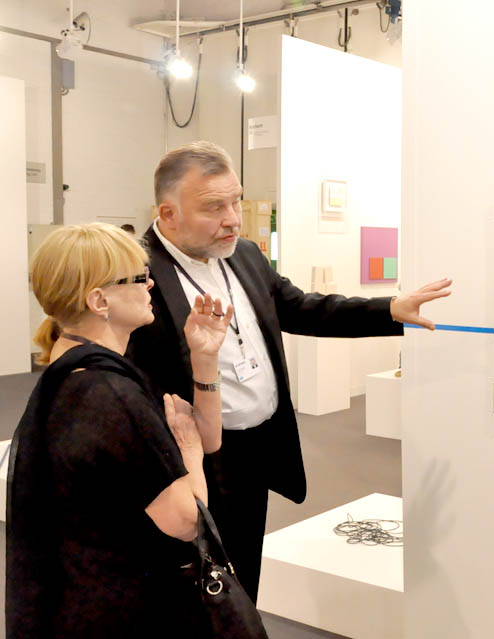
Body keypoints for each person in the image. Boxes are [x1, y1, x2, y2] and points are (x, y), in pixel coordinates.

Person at [127, 141, 451, 602]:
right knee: (186, 584)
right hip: (187, 458)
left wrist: (390, 310)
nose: (233, 219)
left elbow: (302, 308)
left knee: (244, 570)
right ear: (169, 213)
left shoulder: (244, 254)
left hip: (254, 448)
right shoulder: (134, 274)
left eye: (236, 201)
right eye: (214, 207)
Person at [7, 223, 234, 638]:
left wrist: (204, 359)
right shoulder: (109, 392)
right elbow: (188, 521)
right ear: (99, 300)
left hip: (81, 592)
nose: (150, 284)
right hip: (125, 604)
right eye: (138, 277)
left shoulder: (73, 366)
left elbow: (210, 438)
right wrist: (188, 449)